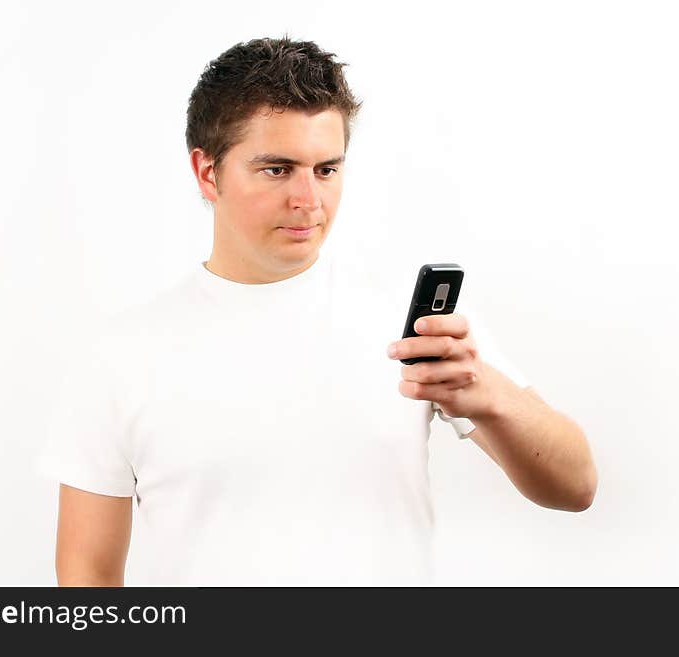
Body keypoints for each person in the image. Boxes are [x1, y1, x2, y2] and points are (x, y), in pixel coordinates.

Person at [37, 35, 597, 586]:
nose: (309, 199)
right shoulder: (120, 358)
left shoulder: (415, 325)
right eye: (277, 169)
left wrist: (491, 396)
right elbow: (87, 573)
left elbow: (576, 488)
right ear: (208, 173)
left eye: (327, 169)